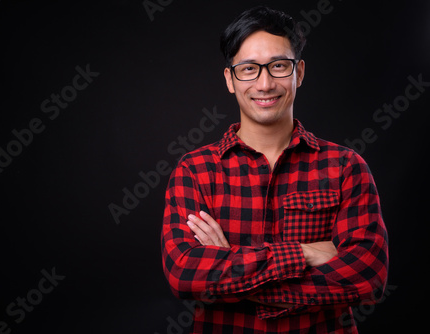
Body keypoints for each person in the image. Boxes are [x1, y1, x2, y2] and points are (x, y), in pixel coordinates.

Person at [161, 5, 388, 334]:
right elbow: (184, 275)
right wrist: (304, 253)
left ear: (299, 73)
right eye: (249, 69)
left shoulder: (345, 167)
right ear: (230, 79)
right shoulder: (195, 171)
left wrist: (230, 263)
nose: (265, 83)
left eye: (278, 66)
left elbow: (369, 276)